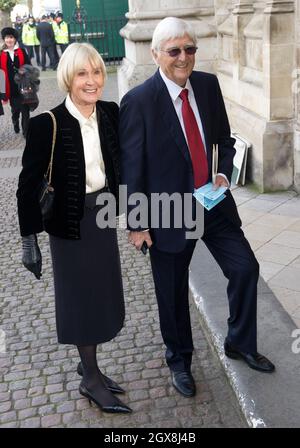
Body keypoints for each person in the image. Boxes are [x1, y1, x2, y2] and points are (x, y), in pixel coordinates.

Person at [119, 17, 275, 398]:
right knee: (171, 296)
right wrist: (137, 224)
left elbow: (224, 137)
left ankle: (239, 342)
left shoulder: (207, 85)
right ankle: (180, 361)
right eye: (174, 50)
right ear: (156, 54)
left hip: (213, 203)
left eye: (190, 48)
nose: (184, 57)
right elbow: (131, 169)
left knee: (245, 268)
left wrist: (223, 173)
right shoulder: (138, 102)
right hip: (168, 212)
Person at [16, 42, 131, 414]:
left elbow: (123, 163)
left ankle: (90, 364)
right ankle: (91, 379)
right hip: (68, 223)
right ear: (68, 77)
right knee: (81, 299)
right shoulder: (46, 124)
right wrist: (28, 239)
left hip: (102, 216)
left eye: (97, 72)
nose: (92, 80)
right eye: (83, 73)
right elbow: (26, 184)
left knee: (104, 291)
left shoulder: (110, 113)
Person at [0, 27, 30, 136]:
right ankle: (15, 120)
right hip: (11, 88)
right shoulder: (1, 54)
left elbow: (29, 66)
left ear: (15, 39)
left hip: (23, 86)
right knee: (16, 110)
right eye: (7, 38)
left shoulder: (21, 51)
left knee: (25, 111)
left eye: (11, 38)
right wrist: (2, 94)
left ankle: (26, 132)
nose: (9, 40)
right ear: (4, 39)